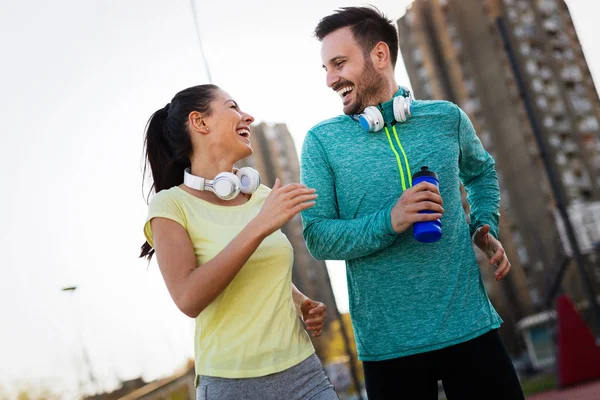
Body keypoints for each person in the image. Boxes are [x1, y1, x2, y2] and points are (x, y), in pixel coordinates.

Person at [300, 6, 525, 400]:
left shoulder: (446, 118)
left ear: (380, 56)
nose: (330, 79)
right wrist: (392, 219)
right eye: (326, 69)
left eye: (338, 63)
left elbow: (481, 172)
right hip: (388, 348)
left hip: (469, 325)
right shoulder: (321, 142)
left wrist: (484, 223)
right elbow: (318, 236)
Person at [140, 84, 338, 400]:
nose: (247, 116)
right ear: (200, 122)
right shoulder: (170, 206)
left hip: (303, 372)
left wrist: (301, 302)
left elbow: (257, 266)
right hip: (232, 385)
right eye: (233, 107)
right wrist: (258, 226)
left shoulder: (261, 197)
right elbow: (188, 298)